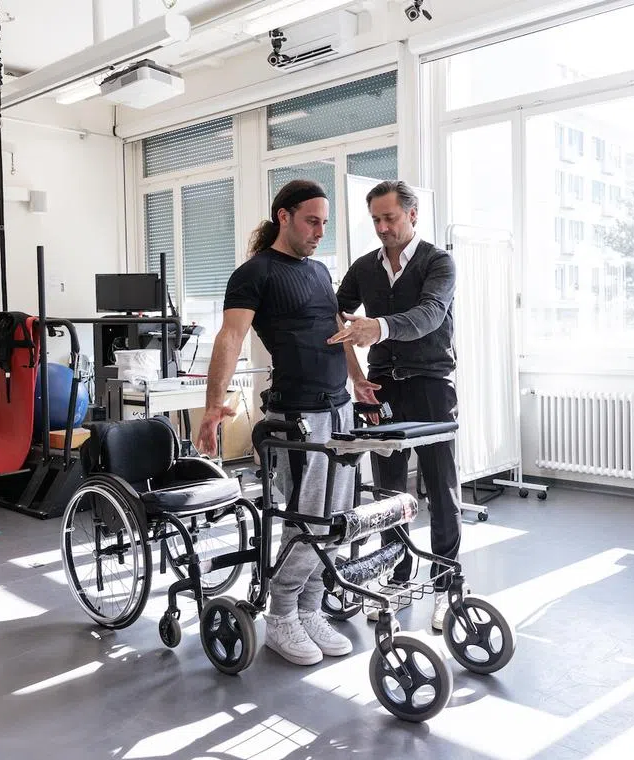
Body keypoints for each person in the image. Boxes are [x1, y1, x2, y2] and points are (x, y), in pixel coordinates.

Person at [195, 179, 362, 667]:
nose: (319, 231)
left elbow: (337, 331)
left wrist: (358, 378)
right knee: (305, 521)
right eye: (312, 221)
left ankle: (309, 610)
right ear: (283, 216)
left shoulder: (317, 270)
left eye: (325, 223)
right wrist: (212, 405)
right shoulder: (255, 273)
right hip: (297, 416)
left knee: (334, 523)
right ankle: (281, 615)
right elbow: (230, 336)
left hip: (339, 408)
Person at [330, 179, 460, 631]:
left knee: (440, 487)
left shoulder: (438, 262)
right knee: (388, 491)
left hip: (430, 385)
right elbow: (335, 311)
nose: (383, 227)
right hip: (382, 388)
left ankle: (448, 586)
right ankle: (397, 575)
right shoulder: (365, 267)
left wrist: (378, 328)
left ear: (413, 215)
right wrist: (354, 371)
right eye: (376, 220)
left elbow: (429, 315)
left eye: (391, 217)